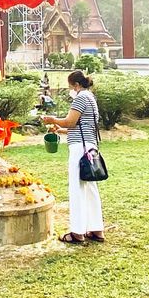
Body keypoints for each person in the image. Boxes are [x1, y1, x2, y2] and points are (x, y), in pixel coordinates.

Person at [42, 69, 104, 245]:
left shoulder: (81, 98)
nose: (71, 90)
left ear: (77, 85)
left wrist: (52, 120)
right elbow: (79, 125)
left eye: (71, 86)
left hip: (80, 149)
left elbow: (71, 121)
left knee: (77, 188)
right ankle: (96, 229)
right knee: (90, 188)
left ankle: (77, 233)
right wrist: (59, 130)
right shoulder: (91, 97)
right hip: (89, 146)